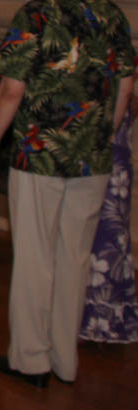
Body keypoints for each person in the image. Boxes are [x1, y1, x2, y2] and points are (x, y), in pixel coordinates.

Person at [0, 0, 135, 387]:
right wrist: (101, 134)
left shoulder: (36, 12)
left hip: (39, 155)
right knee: (75, 259)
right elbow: (126, 86)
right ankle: (66, 361)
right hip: (94, 157)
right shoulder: (110, 12)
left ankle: (32, 360)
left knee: (35, 257)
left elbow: (10, 89)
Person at [80, 95, 138, 344]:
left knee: (106, 237)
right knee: (91, 237)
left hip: (108, 154)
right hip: (97, 150)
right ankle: (80, 317)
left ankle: (98, 318)